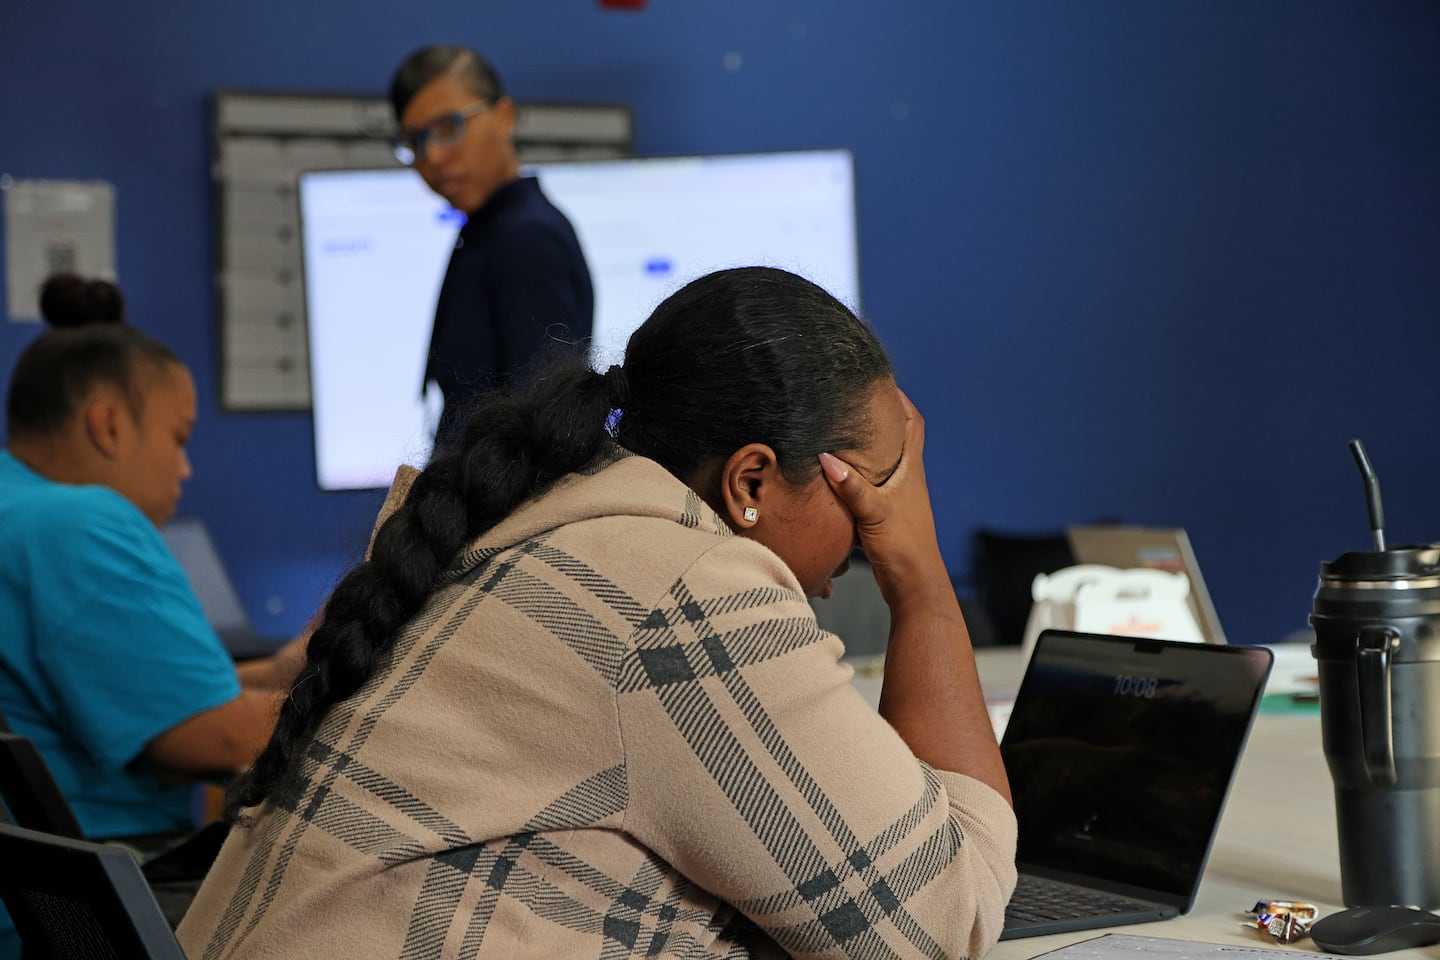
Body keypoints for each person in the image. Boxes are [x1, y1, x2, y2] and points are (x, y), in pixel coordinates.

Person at [179, 267, 1016, 959]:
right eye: (876, 492)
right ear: (752, 482)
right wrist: (921, 576)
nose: (875, 530)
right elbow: (947, 924)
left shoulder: (527, 518)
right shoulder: (684, 590)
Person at [0, 274, 306, 842]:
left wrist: (274, 673)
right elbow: (216, 738)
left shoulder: (14, 509)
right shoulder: (82, 522)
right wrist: (359, 697)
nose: (184, 468)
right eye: (179, 437)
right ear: (109, 424)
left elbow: (108, 693)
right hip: (108, 894)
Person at [389, 44, 594, 450]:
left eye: (449, 127)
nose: (432, 157)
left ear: (505, 116)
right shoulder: (486, 230)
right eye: (415, 141)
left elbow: (540, 428)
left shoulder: (527, 238)